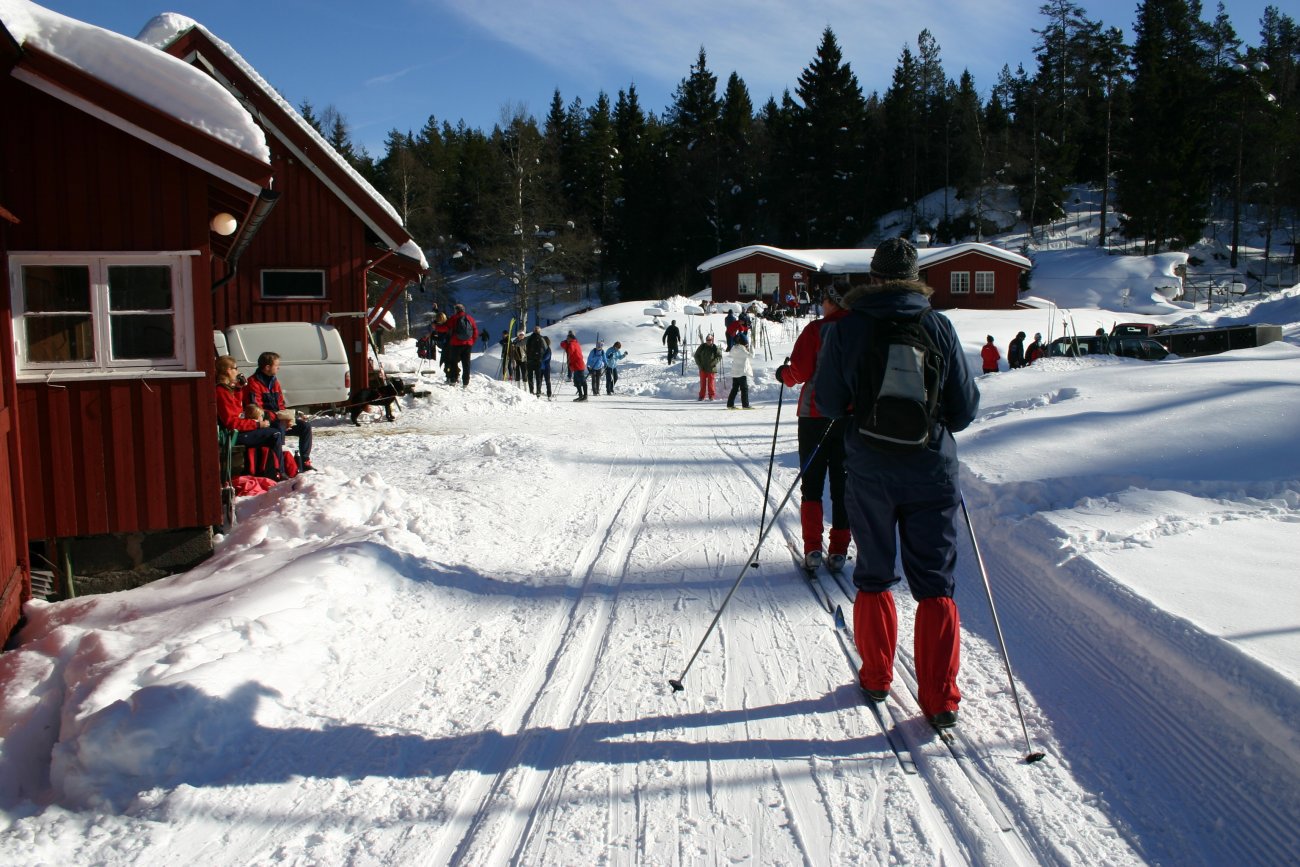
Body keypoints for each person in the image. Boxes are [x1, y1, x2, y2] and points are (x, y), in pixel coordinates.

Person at [813, 237, 979, 729]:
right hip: (932, 469)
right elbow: (964, 410)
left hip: (870, 469)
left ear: (874, 277)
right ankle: (940, 697)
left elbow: (827, 402)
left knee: (875, 571)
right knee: (935, 581)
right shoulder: (938, 326)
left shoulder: (846, 329)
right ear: (915, 278)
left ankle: (877, 676)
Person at [775, 284, 851, 571]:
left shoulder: (816, 329)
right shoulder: (860, 330)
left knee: (812, 482)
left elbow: (799, 372)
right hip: (848, 416)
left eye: (824, 300)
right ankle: (840, 550)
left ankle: (813, 548)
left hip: (814, 415)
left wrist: (783, 374)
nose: (821, 305)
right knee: (843, 484)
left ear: (832, 302)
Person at [216, 355, 287, 480]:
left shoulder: (229, 389)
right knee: (274, 434)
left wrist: (239, 388)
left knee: (274, 429)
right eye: (235, 368)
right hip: (233, 435)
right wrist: (257, 424)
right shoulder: (221, 391)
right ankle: (278, 473)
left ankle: (267, 470)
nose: (237, 371)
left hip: (239, 429)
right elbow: (232, 422)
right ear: (228, 370)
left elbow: (238, 407)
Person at [244, 350, 316, 471]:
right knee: (279, 426)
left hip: (278, 419)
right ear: (267, 367)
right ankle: (280, 467)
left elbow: (281, 404)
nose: (279, 368)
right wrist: (279, 418)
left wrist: (288, 418)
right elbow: (256, 410)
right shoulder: (253, 383)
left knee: (305, 427)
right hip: (264, 421)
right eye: (276, 365)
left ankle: (305, 461)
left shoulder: (274, 382)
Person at [445, 303, 477, 387]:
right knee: (466, 364)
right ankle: (465, 382)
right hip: (468, 344)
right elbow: (475, 331)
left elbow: (446, 327)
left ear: (456, 310)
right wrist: (471, 342)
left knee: (453, 362)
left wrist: (436, 327)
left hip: (456, 344)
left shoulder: (454, 318)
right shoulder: (470, 318)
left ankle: (453, 379)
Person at [726, 332, 754, 410]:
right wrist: (752, 348)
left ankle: (730, 404)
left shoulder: (734, 348)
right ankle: (745, 405)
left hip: (735, 373)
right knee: (744, 389)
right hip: (742, 372)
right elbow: (751, 356)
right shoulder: (742, 350)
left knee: (734, 389)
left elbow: (730, 355)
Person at [694, 333, 723, 400]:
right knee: (702, 383)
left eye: (710, 340)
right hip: (702, 368)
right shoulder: (702, 346)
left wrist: (714, 363)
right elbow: (696, 356)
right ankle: (701, 396)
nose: (708, 341)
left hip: (711, 368)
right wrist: (699, 364)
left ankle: (711, 396)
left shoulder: (715, 347)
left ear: (712, 340)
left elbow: (719, 356)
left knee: (711, 383)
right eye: (707, 340)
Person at [560, 331, 587, 401]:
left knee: (582, 381)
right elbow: (562, 345)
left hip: (578, 365)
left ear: (571, 338)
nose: (566, 339)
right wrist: (566, 343)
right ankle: (581, 395)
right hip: (576, 365)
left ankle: (585, 396)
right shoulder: (575, 343)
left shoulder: (572, 344)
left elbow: (570, 351)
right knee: (577, 382)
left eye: (567, 338)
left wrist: (566, 345)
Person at [525, 325, 548, 397]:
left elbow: (526, 348)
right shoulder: (541, 338)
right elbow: (545, 348)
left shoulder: (529, 338)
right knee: (538, 377)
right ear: (539, 331)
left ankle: (531, 391)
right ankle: (538, 391)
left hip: (530, 360)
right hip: (538, 360)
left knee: (530, 377)